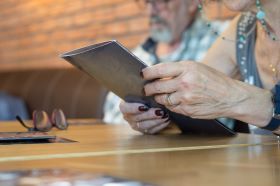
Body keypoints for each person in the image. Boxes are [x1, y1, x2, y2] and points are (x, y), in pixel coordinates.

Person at [120, 0, 280, 135]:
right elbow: (187, 104)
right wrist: (152, 114)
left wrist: (232, 98)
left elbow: (220, 94)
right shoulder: (243, 28)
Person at [103, 0, 228, 124]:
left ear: (192, 3)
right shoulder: (135, 55)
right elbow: (110, 118)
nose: (152, 11)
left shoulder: (225, 38)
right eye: (148, 2)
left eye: (161, 1)